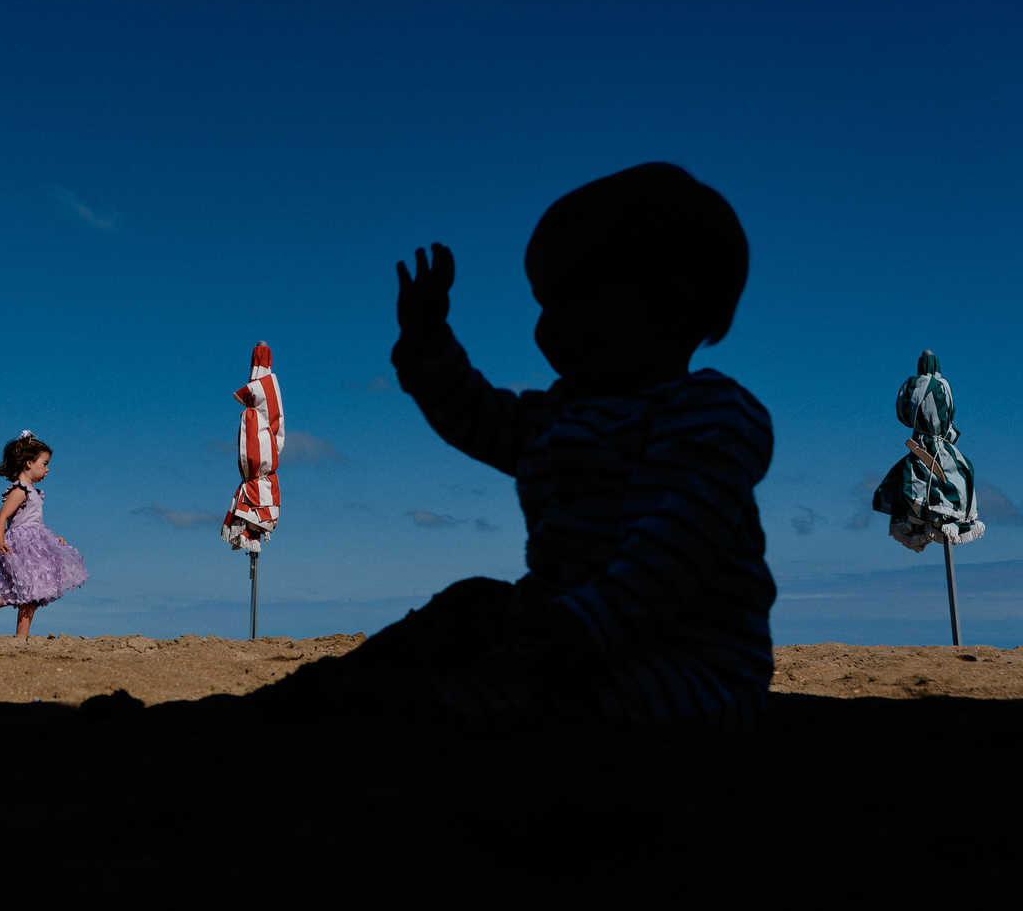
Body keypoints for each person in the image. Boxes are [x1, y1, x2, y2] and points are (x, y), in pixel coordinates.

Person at [269, 163, 775, 731]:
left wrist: (594, 620)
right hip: (565, 631)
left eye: (571, 299)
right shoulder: (560, 415)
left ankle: (425, 710)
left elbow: (675, 540)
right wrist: (429, 343)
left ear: (670, 304)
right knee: (472, 604)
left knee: (557, 704)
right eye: (542, 303)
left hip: (685, 663)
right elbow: (480, 418)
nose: (545, 328)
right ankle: (323, 695)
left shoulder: (706, 414)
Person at [0, 432, 87, 637]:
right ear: (29, 463)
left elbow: (34, 522)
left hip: (35, 543)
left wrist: (53, 537)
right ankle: (21, 638)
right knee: (31, 593)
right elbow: (3, 515)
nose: (47, 470)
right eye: (45, 464)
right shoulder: (21, 490)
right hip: (21, 546)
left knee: (34, 592)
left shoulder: (33, 491)